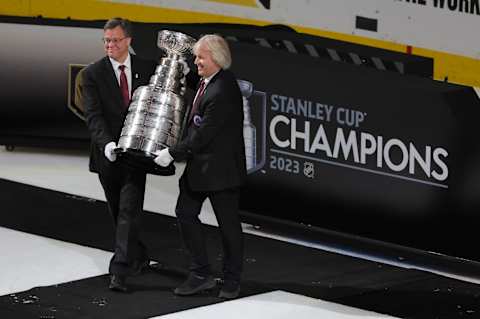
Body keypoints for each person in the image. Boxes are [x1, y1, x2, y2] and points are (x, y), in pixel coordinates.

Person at [154, 34, 246, 299]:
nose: (196, 61)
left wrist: (171, 152)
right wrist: (181, 70)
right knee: (185, 212)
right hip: (200, 168)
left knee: (228, 227)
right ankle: (201, 274)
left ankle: (231, 281)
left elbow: (202, 135)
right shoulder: (213, 81)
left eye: (200, 57)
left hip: (221, 171)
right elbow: (199, 85)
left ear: (216, 59)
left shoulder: (223, 92)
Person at [83, 17, 157, 292]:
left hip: (135, 155)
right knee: (119, 211)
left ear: (128, 41)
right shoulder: (93, 74)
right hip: (108, 154)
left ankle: (120, 272)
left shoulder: (148, 68)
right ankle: (137, 253)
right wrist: (106, 144)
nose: (109, 45)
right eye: (106, 40)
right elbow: (93, 116)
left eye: (114, 40)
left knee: (128, 209)